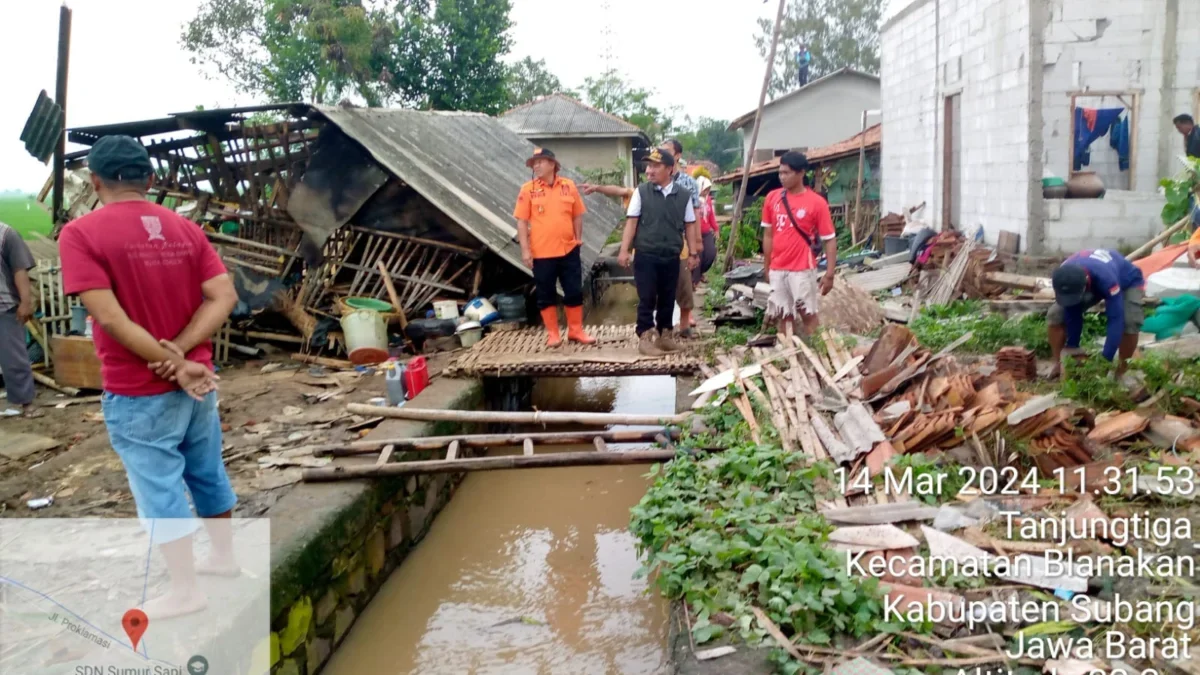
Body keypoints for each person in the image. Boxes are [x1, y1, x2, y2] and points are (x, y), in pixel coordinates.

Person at [58, 135, 241, 619]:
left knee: (160, 487)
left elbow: (111, 319)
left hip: (140, 390)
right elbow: (223, 296)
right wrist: (183, 355)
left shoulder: (81, 234)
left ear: (95, 181)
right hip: (200, 382)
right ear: (151, 180)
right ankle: (223, 559)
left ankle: (185, 590)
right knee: (206, 470)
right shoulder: (185, 228)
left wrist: (173, 361)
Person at [616, 148, 700, 356]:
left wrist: (693, 253)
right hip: (645, 254)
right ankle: (645, 336)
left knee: (668, 296)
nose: (649, 170)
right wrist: (624, 250)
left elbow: (690, 224)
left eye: (655, 166)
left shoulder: (683, 195)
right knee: (646, 297)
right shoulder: (641, 192)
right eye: (648, 166)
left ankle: (665, 335)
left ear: (670, 169)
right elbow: (631, 222)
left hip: (671, 254)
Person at [513, 147, 594, 347]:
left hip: (568, 250)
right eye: (534, 163)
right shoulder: (527, 190)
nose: (536, 166)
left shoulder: (568, 186)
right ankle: (553, 334)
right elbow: (522, 222)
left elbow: (577, 215)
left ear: (552, 164)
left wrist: (578, 240)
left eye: (540, 162)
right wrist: (525, 250)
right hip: (541, 253)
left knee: (574, 290)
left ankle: (576, 331)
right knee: (545, 293)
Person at [761, 152, 837, 341]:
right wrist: (767, 265)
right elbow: (768, 234)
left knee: (808, 314)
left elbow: (830, 239)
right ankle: (788, 356)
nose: (782, 177)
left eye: (787, 173)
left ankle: (821, 352)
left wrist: (829, 274)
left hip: (802, 269)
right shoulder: (772, 198)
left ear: (801, 173)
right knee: (783, 315)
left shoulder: (817, 203)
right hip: (778, 268)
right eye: (780, 173)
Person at [1047, 248, 1145, 379]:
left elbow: (1116, 319)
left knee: (1129, 321)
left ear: (1085, 282)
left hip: (1127, 281)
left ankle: (1121, 371)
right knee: (1056, 314)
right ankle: (1058, 364)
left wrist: (1105, 361)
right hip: (1091, 280)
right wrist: (1072, 349)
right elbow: (1072, 310)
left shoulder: (1106, 279)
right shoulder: (1064, 274)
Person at [661, 140, 703, 336]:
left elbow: (693, 217)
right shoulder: (652, 184)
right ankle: (664, 326)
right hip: (659, 244)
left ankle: (685, 323)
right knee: (661, 287)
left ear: (676, 156)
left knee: (684, 284)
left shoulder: (688, 184)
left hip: (682, 242)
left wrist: (696, 244)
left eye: (666, 151)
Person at [0, 220, 39, 418]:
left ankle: (26, 403)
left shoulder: (6, 234)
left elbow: (19, 270)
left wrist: (25, 302)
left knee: (13, 358)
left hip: (4, 306)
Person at [694, 175, 719, 286]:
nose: (706, 192)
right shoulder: (693, 200)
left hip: (706, 231)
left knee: (710, 253)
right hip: (695, 233)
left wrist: (716, 229)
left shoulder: (708, 200)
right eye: (705, 189)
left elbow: (711, 216)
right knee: (698, 256)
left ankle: (701, 273)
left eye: (708, 190)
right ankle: (696, 279)